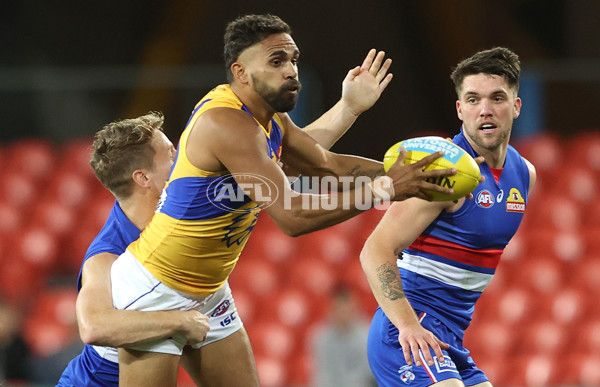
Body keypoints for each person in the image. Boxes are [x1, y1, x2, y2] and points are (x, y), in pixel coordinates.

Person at [109, 13, 457, 387]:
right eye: (277, 62)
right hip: (156, 286)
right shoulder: (226, 124)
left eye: (293, 60)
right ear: (241, 72)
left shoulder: (268, 118)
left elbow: (323, 163)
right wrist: (386, 188)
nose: (291, 70)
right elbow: (292, 216)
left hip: (208, 291)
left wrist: (415, 171)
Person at [360, 47, 536, 386]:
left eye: (497, 98)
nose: (485, 110)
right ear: (460, 109)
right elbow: (375, 250)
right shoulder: (444, 171)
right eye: (472, 100)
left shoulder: (525, 174)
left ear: (515, 106)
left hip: (450, 339)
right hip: (410, 336)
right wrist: (408, 326)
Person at [311, 284, 375, 387]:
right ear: (331, 310)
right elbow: (322, 373)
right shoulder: (320, 337)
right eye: (339, 310)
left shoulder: (368, 335)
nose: (343, 315)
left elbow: (367, 373)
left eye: (346, 310)